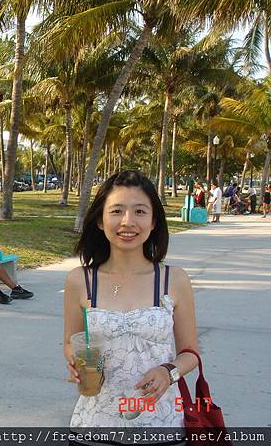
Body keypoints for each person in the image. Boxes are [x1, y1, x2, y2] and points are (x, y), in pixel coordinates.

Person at [64, 170, 198, 433]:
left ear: (154, 221)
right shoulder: (80, 281)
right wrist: (77, 362)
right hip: (94, 424)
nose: (128, 222)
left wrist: (168, 371)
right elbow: (71, 341)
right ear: (100, 221)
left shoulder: (174, 279)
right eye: (116, 211)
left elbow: (190, 353)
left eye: (139, 211)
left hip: (162, 424)